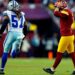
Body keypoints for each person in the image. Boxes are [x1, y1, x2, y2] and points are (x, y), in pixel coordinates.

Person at [43, 0, 75, 75]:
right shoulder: (67, 11)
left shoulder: (66, 12)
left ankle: (52, 69)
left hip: (66, 36)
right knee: (72, 53)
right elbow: (58, 12)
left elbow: (55, 13)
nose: (57, 7)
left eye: (59, 5)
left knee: (59, 53)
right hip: (69, 36)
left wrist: (57, 7)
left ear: (63, 6)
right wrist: (58, 7)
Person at [0, 0, 30, 74]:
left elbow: (4, 24)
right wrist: (24, 36)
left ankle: (2, 69)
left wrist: (0, 33)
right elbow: (26, 27)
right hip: (20, 34)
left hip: (11, 33)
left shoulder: (8, 13)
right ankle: (14, 51)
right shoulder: (22, 14)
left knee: (6, 51)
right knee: (14, 54)